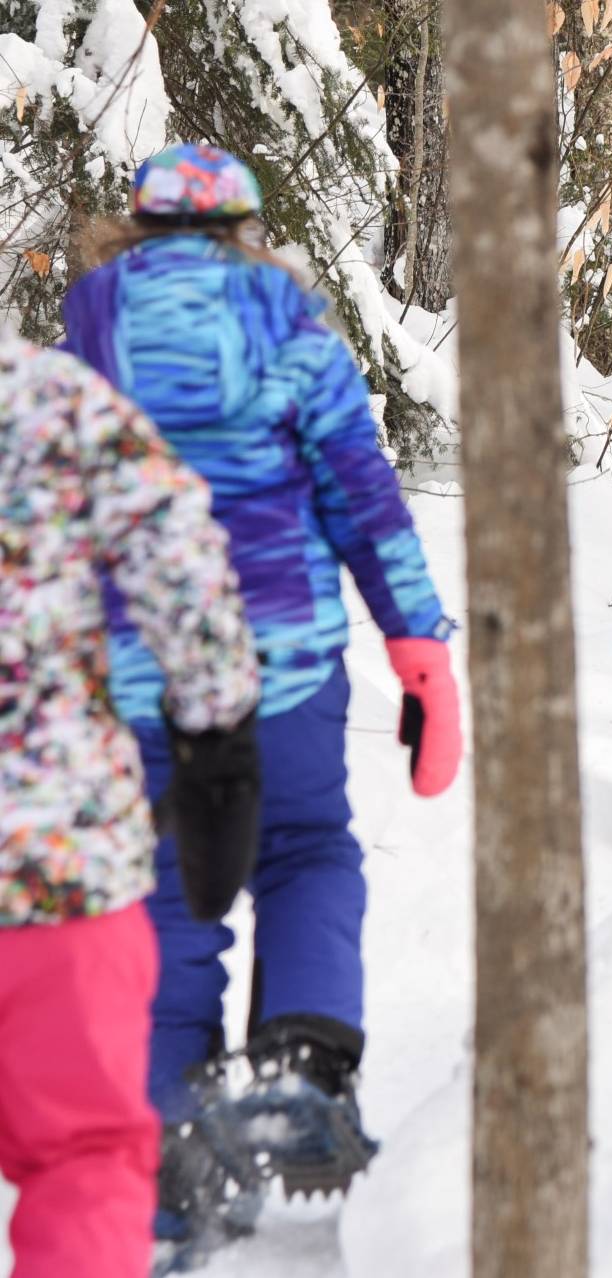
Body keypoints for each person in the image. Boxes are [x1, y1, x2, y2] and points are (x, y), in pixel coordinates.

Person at [60, 143, 463, 1243]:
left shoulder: (85, 339)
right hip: (282, 662)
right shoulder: (294, 333)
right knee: (303, 848)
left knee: (164, 892)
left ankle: (171, 1151)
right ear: (248, 230)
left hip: (138, 670)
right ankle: (301, 1055)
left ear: (132, 232)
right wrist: (419, 648)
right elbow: (365, 502)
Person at [0, 336, 261, 1278]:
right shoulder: (44, 395)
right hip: (54, 852)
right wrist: (217, 745)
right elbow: (180, 558)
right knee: (86, 1159)